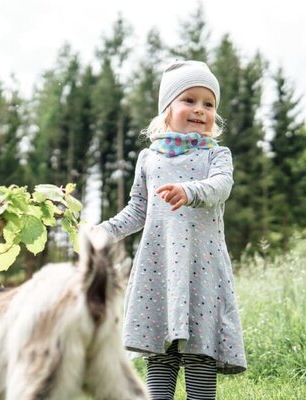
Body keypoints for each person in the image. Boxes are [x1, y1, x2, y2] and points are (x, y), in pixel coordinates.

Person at [97, 60, 247, 400]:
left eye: (208, 104)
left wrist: (189, 191)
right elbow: (138, 208)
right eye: (189, 100)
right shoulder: (149, 159)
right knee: (161, 354)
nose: (200, 109)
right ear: (168, 109)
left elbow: (221, 187)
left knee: (199, 350)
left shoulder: (217, 155)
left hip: (201, 268)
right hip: (159, 267)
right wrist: (103, 232)